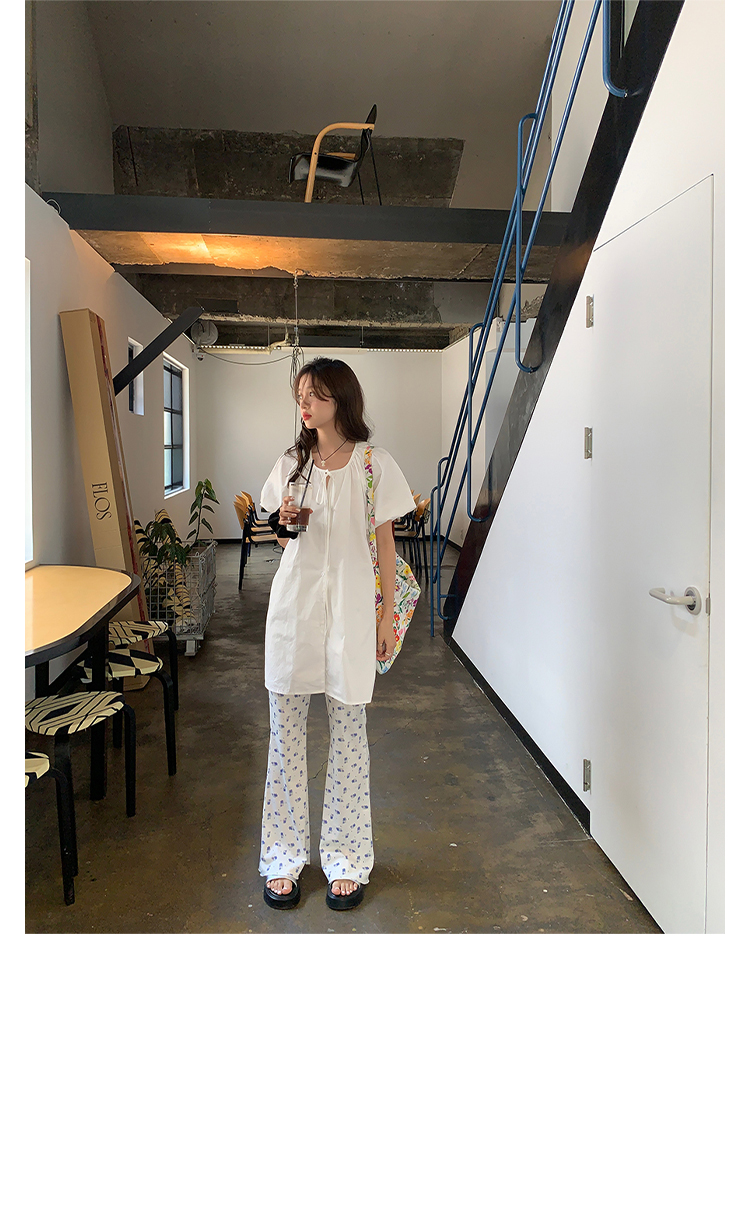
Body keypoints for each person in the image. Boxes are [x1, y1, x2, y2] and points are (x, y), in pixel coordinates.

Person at [258, 357, 415, 911]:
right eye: (301, 393)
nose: (304, 403)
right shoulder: (291, 463)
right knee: (285, 737)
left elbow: (386, 544)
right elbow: (283, 538)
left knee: (350, 737)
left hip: (350, 613)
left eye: (316, 394)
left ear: (341, 399)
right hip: (294, 611)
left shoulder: (374, 464)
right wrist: (281, 525)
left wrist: (385, 617)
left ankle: (346, 857)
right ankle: (283, 856)